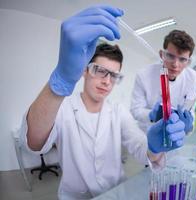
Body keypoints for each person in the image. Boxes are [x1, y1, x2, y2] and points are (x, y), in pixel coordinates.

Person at [19, 5, 186, 199]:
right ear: (84, 69)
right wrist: (61, 81)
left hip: (116, 193)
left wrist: (155, 148)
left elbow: (140, 148)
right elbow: (32, 143)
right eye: (100, 70)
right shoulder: (62, 107)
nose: (107, 81)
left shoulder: (118, 111)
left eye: (114, 75)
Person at [130, 29, 196, 134]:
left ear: (188, 61)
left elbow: (190, 109)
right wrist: (151, 115)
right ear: (162, 54)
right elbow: (135, 110)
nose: (175, 64)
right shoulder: (144, 75)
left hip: (175, 134)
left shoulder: (192, 76)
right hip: (148, 134)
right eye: (170, 56)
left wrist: (189, 125)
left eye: (182, 59)